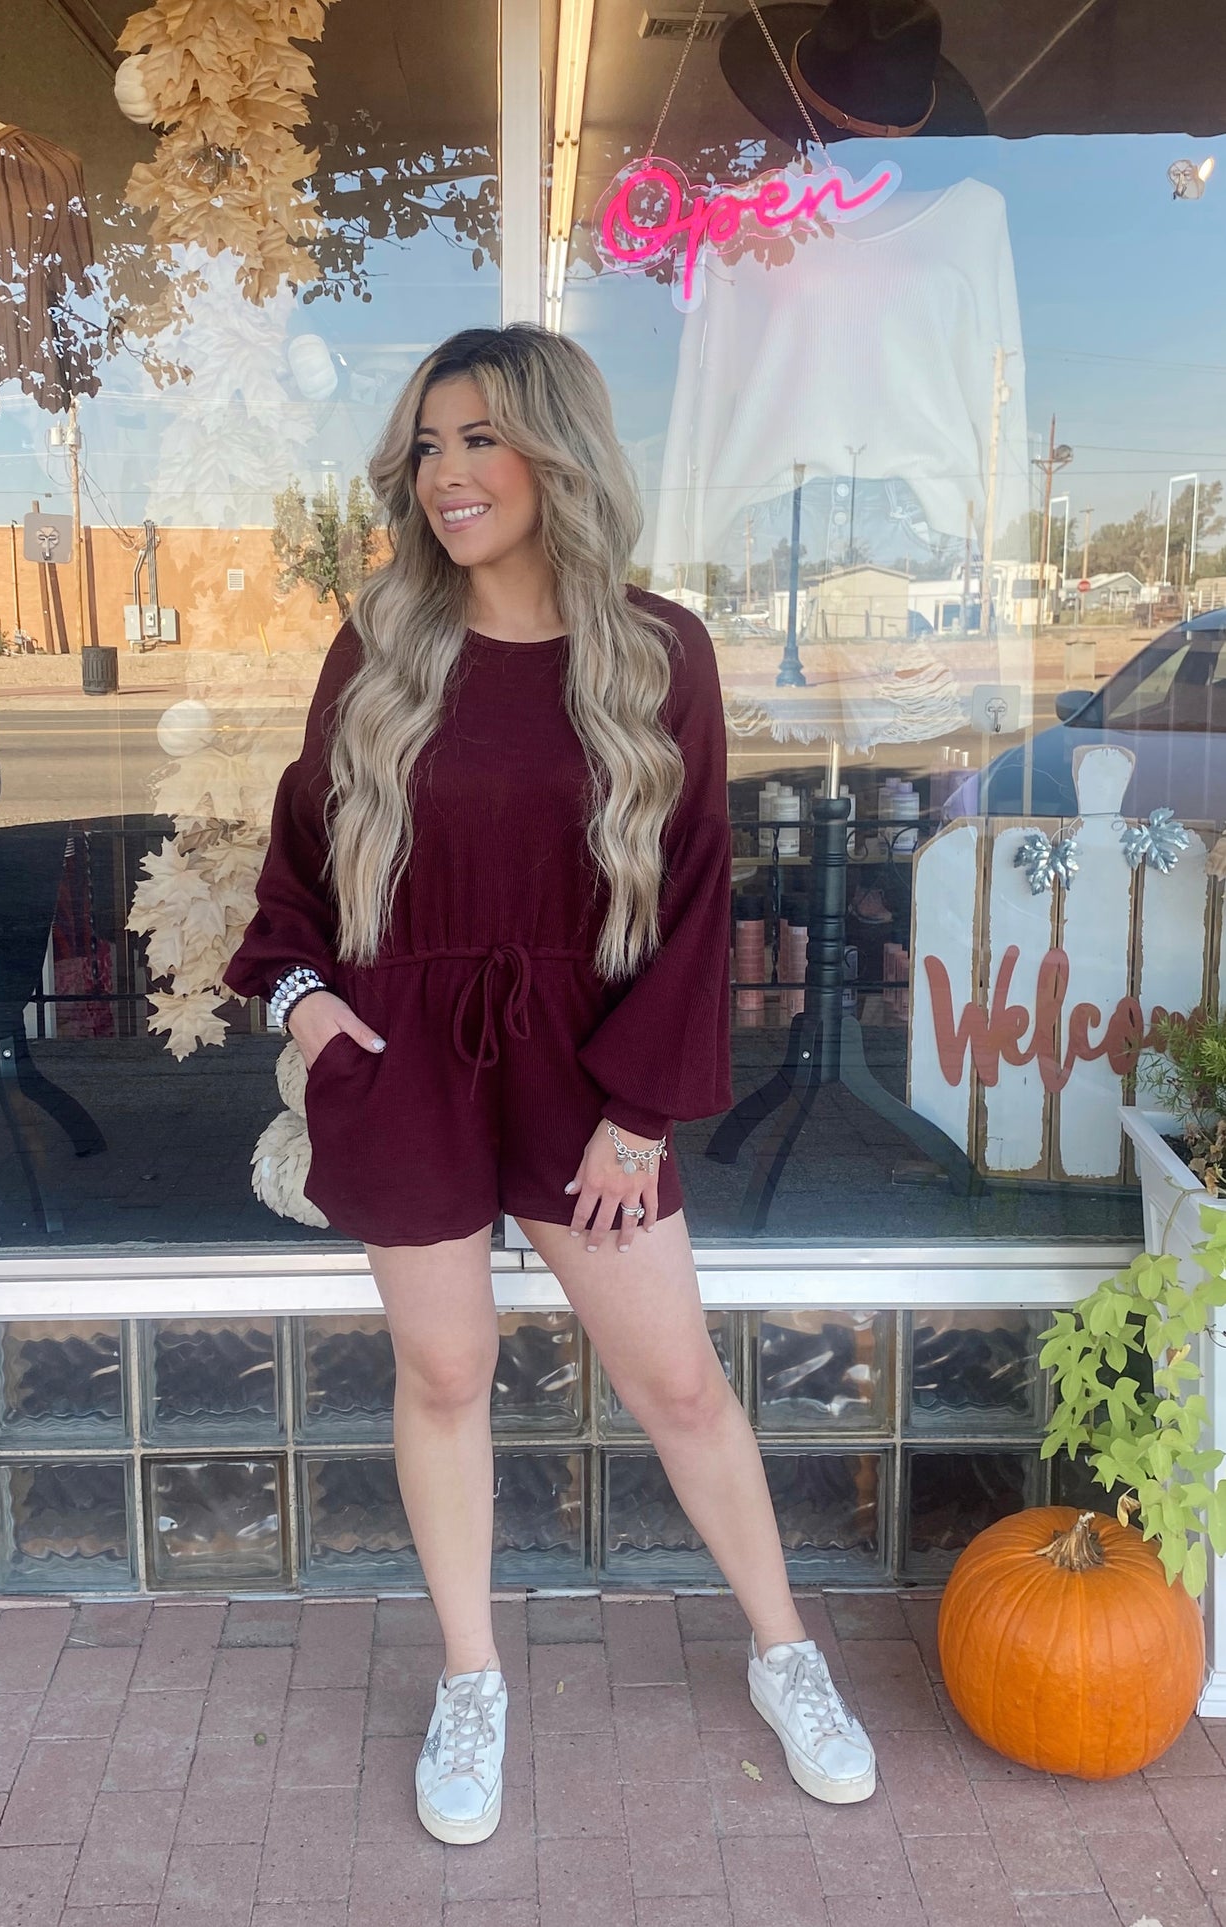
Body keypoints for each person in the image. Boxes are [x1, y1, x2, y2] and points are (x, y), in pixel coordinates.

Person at [223, 323, 876, 1846]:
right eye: (427, 446)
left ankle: (785, 1654)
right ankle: (472, 1678)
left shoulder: (658, 652)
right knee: (446, 1376)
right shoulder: (383, 644)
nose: (446, 475)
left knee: (678, 1383)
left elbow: (697, 890)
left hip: (591, 1069)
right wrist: (308, 1008)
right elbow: (302, 852)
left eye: (480, 440)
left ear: (557, 456)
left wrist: (638, 1113)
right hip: (406, 1061)